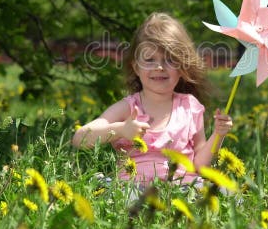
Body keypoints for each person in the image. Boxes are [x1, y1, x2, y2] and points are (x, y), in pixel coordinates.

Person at [72, 12, 233, 185]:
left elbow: (200, 167)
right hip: (133, 187)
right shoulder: (128, 108)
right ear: (136, 67)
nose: (159, 67)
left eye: (170, 60)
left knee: (225, 191)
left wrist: (218, 135)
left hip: (181, 189)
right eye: (149, 60)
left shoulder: (189, 107)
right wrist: (120, 130)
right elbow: (80, 139)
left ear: (182, 66)